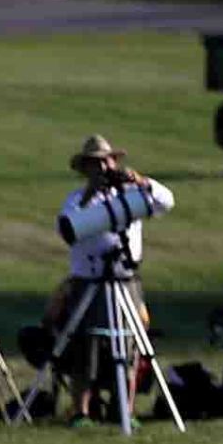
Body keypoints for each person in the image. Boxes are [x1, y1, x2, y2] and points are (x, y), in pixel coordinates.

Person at [47, 135, 171, 426]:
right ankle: (81, 412)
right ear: (85, 168)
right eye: (96, 163)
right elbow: (66, 227)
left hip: (125, 278)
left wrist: (140, 181)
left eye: (107, 161)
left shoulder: (131, 195)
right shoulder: (77, 200)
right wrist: (92, 194)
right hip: (88, 280)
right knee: (85, 348)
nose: (103, 167)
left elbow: (166, 200)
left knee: (130, 346)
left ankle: (124, 411)